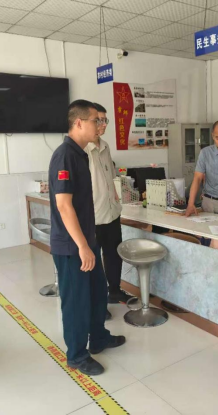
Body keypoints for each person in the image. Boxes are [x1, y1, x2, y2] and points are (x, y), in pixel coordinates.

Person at [49, 99, 125, 376]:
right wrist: (82, 246)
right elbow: (64, 205)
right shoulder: (65, 155)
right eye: (96, 120)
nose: (101, 125)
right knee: (77, 302)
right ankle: (77, 356)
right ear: (79, 122)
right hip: (72, 246)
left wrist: (89, 242)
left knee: (96, 294)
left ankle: (99, 337)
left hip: (86, 240)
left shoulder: (80, 154)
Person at [84, 103, 134, 312]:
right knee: (93, 263)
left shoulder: (105, 146)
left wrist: (116, 198)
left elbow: (110, 177)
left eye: (105, 120)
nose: (103, 124)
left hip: (112, 212)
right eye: (99, 120)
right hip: (94, 217)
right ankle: (97, 303)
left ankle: (114, 290)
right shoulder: (82, 149)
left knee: (114, 255)